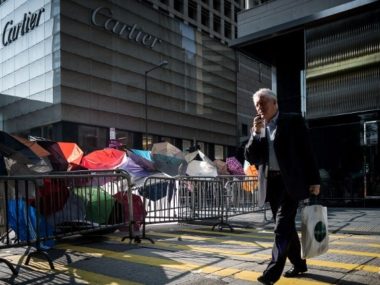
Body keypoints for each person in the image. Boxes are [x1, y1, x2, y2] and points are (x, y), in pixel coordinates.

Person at [244, 88, 320, 284]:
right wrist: (256, 133)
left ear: (275, 103)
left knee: (281, 227)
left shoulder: (292, 121)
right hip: (272, 184)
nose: (259, 108)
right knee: (287, 228)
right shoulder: (259, 128)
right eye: (257, 105)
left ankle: (271, 273)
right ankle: (299, 264)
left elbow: (307, 151)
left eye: (263, 103)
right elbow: (251, 157)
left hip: (291, 183)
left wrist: (314, 181)